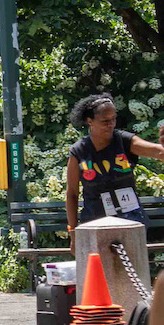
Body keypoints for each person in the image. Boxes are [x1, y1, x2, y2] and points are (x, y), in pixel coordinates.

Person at [64, 93, 164, 229]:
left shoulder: (125, 141)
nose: (110, 124)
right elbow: (72, 194)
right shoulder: (79, 151)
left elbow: (157, 152)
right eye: (105, 121)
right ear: (90, 121)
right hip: (95, 224)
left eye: (113, 119)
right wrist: (73, 231)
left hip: (132, 222)